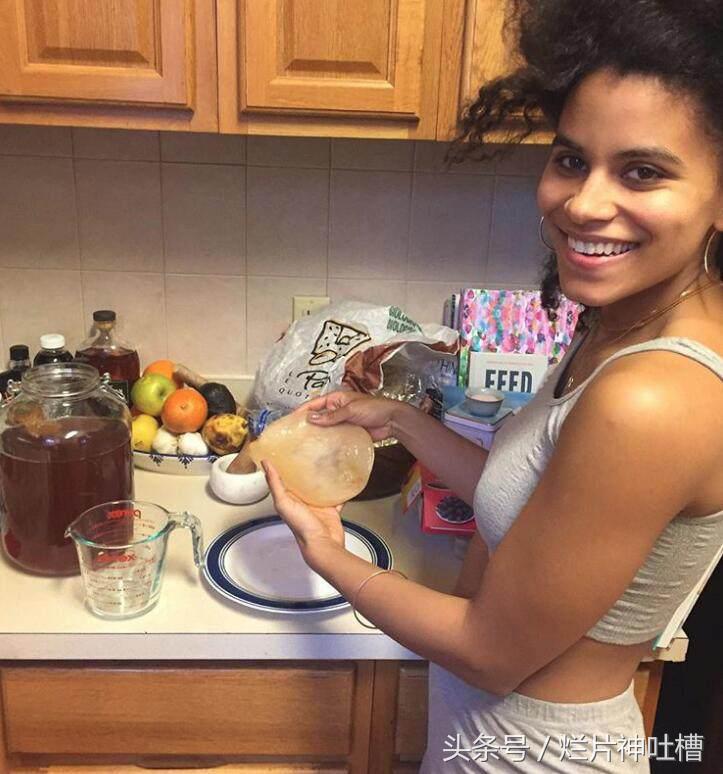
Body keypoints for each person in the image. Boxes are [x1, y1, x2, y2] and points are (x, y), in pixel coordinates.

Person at [260, 0, 723, 770]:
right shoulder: (621, 325)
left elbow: (488, 653)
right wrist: (397, 420)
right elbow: (539, 509)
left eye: (641, 171)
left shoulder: (654, 396)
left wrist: (329, 555)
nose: (583, 203)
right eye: (570, 160)